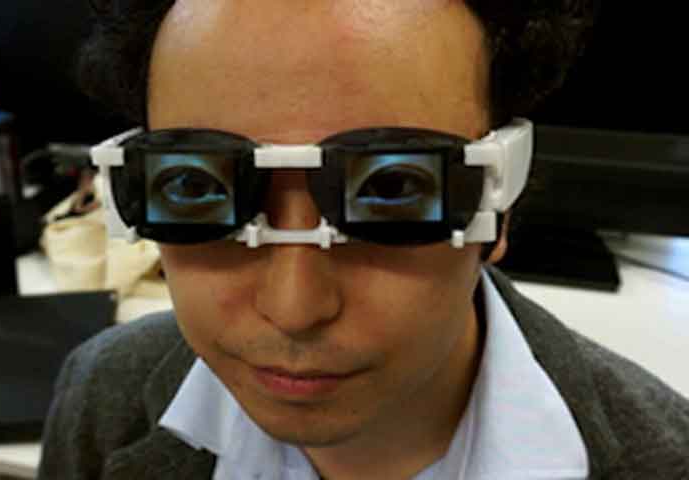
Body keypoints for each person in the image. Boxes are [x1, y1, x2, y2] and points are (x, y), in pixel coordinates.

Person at [39, 0, 689, 479]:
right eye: (192, 185)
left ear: (503, 203)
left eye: (392, 189)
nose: (294, 308)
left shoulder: (665, 460)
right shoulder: (101, 400)